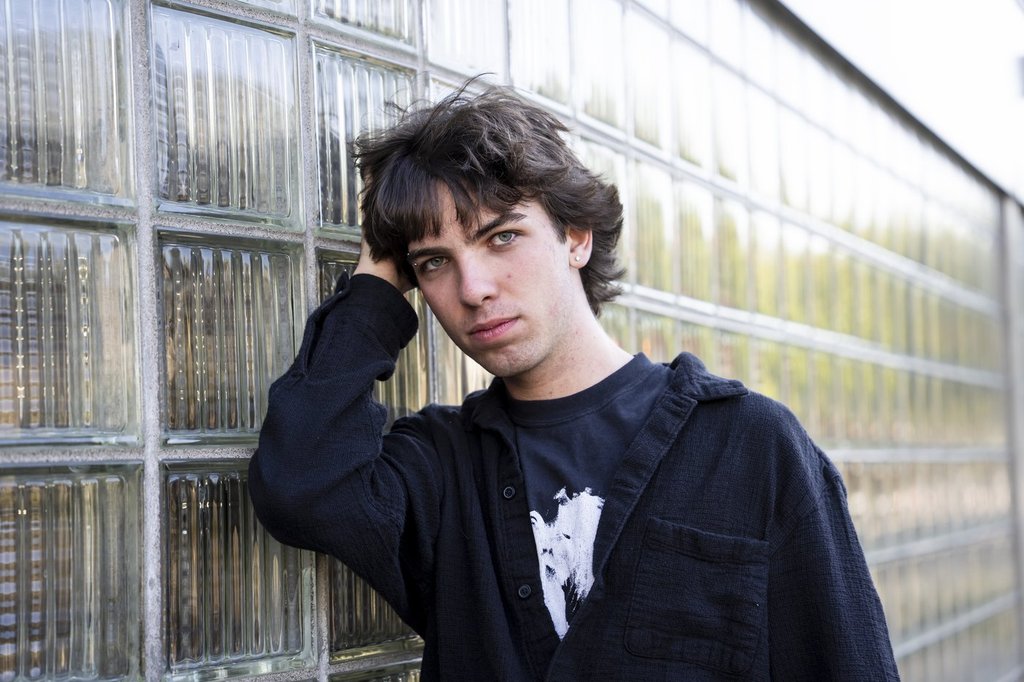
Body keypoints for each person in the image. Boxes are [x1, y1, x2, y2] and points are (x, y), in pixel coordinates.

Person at [249, 84, 900, 681]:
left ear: (576, 236)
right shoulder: (443, 468)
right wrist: (373, 287)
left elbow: (843, 663)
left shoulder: (750, 446)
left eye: (502, 237)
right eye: (434, 263)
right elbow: (304, 485)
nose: (473, 289)